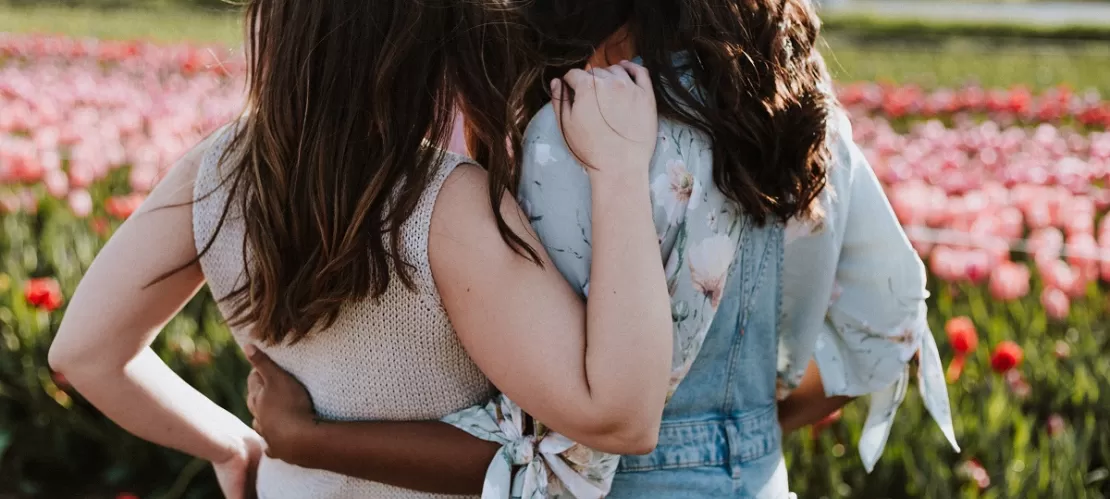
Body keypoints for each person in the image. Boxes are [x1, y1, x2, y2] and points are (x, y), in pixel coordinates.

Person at [245, 0, 960, 497]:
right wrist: (727, 434)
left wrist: (307, 438)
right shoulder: (801, 116)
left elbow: (546, 450)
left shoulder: (573, 142)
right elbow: (887, 328)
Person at [47, 0, 680, 497]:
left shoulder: (218, 170)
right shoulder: (443, 203)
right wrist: (619, 172)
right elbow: (621, 418)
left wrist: (231, 447)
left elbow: (85, 353)